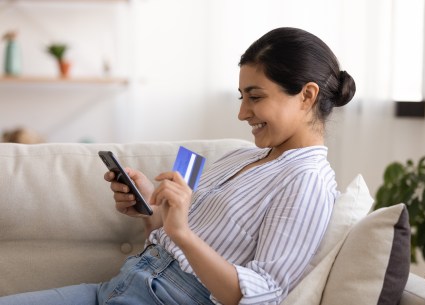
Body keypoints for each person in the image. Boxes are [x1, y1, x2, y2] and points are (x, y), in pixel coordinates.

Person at [0, 27, 355, 305]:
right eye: (241, 97)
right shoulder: (242, 157)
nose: (242, 113)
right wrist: (150, 212)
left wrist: (182, 232)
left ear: (307, 95)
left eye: (255, 96)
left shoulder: (308, 182)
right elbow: (172, 239)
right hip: (117, 289)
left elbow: (263, 295)